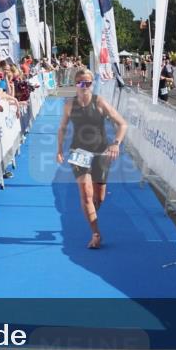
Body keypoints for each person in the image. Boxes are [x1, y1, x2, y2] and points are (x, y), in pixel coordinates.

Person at [56, 69, 128, 249]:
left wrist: (116, 143)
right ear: (76, 84)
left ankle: (92, 214)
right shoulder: (69, 104)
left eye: (88, 83)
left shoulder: (100, 102)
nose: (85, 86)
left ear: (92, 84)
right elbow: (62, 128)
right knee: (86, 195)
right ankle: (96, 233)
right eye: (81, 83)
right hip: (79, 153)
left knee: (99, 198)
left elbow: (122, 124)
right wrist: (59, 150)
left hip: (101, 154)